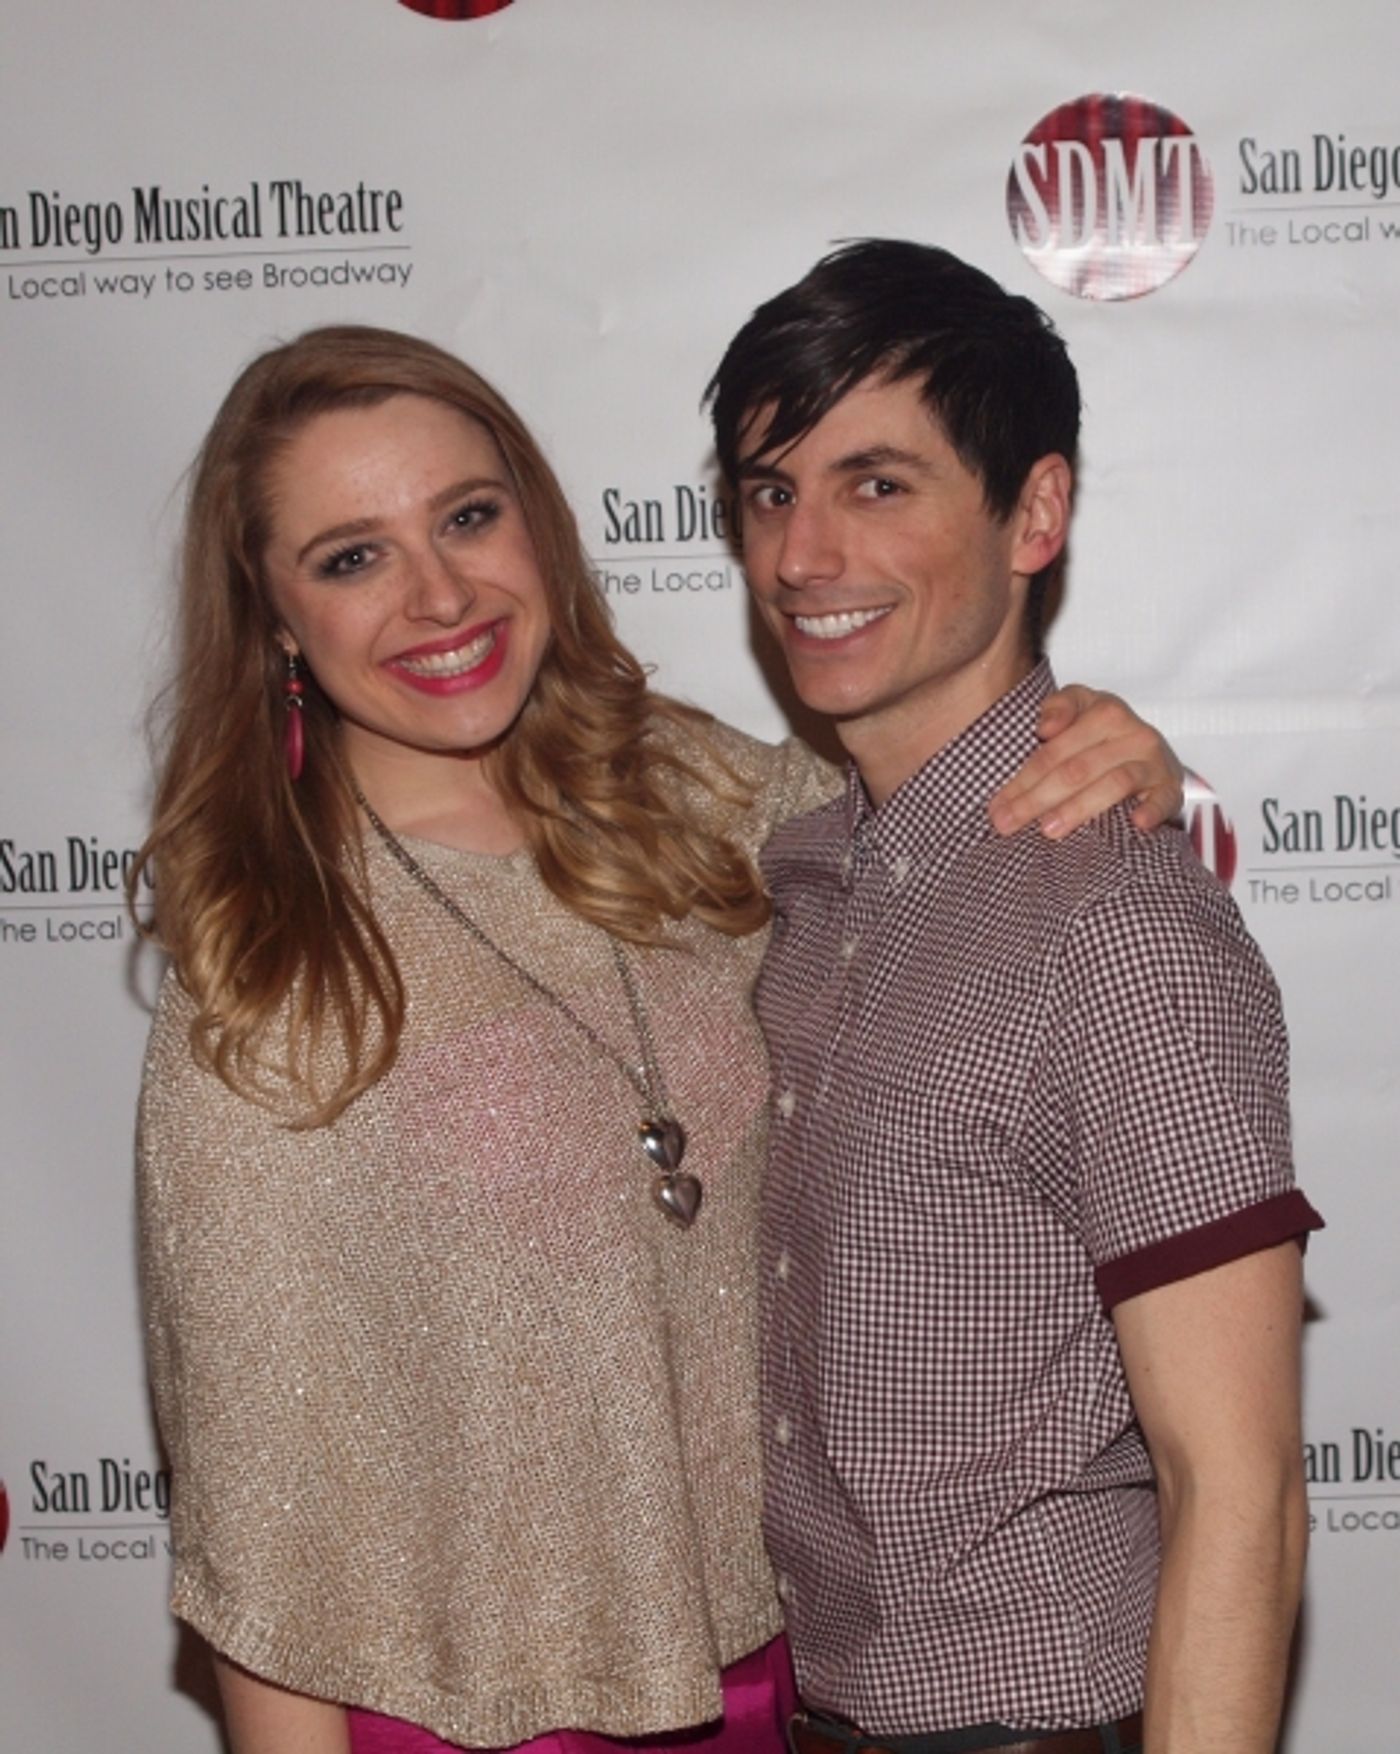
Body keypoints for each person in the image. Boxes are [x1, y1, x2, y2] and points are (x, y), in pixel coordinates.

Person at [133, 323, 1183, 1754]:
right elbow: (264, 1538)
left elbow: (954, 806)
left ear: (541, 529)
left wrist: (1103, 741)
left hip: (792, 1682)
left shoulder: (706, 797)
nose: (439, 594)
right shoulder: (269, 970)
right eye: (351, 556)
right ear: (273, 617)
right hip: (468, 1719)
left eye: (467, 517)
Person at [704, 239, 1323, 1754]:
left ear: (1033, 511)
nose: (802, 554)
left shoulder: (1112, 924)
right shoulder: (810, 872)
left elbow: (1238, 1495)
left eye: (878, 484)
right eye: (771, 491)